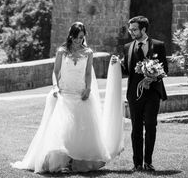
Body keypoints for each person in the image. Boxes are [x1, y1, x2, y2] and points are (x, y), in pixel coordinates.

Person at [12, 22, 123, 174]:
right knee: (61, 128)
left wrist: (88, 89)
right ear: (71, 35)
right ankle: (59, 162)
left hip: (81, 93)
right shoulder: (62, 51)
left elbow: (88, 73)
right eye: (76, 37)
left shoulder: (88, 52)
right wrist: (55, 87)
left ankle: (76, 162)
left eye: (81, 37)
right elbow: (55, 71)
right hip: (64, 93)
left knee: (80, 129)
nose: (78, 40)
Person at [111, 15, 168, 172]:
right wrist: (117, 65)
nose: (131, 32)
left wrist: (152, 77)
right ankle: (137, 163)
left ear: (143, 29)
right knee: (136, 128)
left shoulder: (158, 45)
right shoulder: (127, 47)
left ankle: (148, 162)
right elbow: (127, 70)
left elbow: (165, 70)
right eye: (130, 29)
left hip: (152, 94)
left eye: (134, 29)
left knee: (150, 126)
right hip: (133, 94)